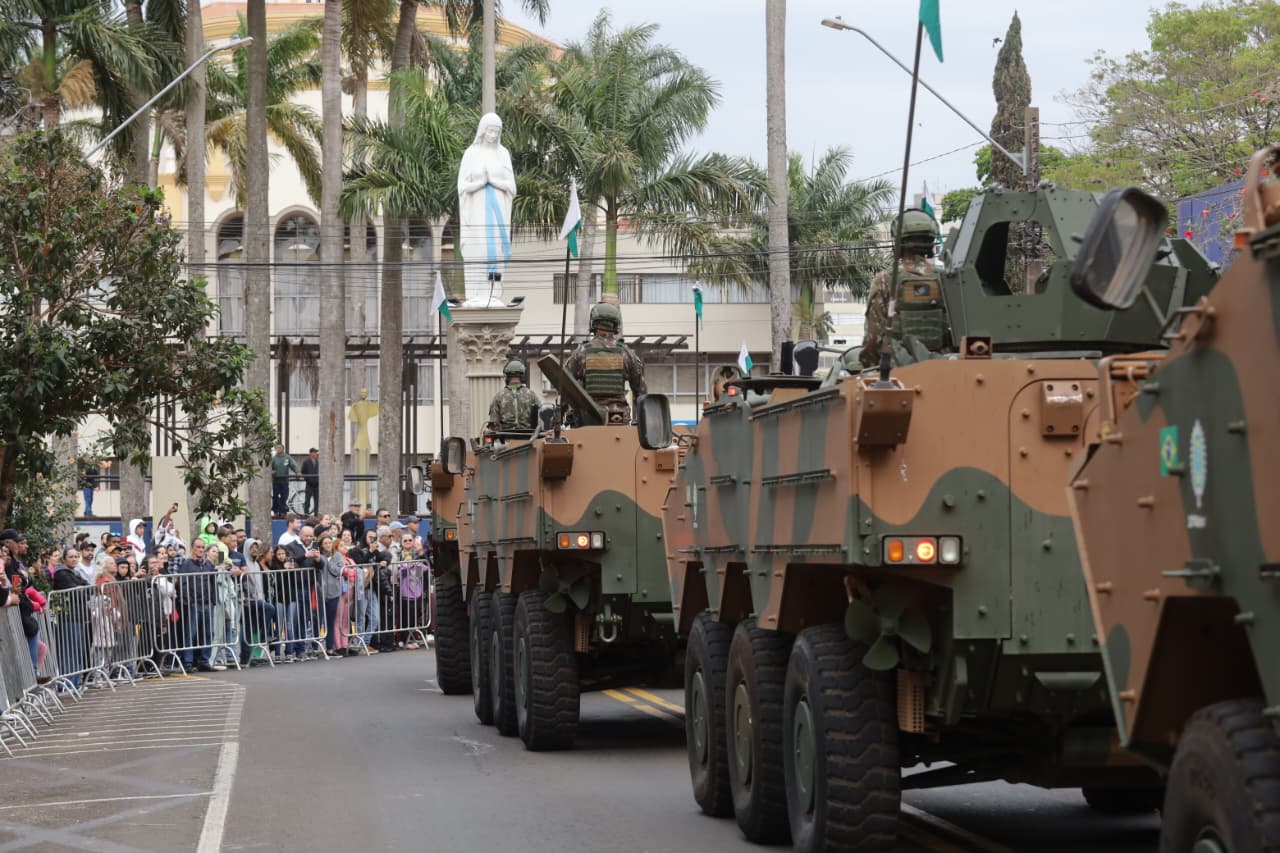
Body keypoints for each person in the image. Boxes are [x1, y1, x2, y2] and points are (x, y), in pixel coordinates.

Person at [860, 207, 947, 369]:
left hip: (898, 374)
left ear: (899, 242)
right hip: (942, 371)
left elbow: (873, 339)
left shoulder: (885, 280)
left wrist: (869, 367)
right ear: (931, 241)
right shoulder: (946, 279)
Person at [457, 112, 517, 304]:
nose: (492, 135)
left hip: (498, 213)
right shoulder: (471, 154)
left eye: (496, 131)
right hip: (476, 214)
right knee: (479, 248)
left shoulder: (503, 154)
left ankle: (494, 292)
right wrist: (481, 182)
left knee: (496, 250)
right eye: (490, 130)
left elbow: (512, 187)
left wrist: (494, 181)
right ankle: (476, 294)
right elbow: (462, 187)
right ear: (482, 131)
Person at [565, 302, 647, 424]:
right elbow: (641, 393)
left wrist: (556, 419)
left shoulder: (581, 353)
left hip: (589, 420)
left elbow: (565, 387)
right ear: (615, 325)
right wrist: (643, 423)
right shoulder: (627, 353)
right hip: (618, 419)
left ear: (593, 323)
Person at [174, 540, 220, 673]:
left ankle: (204, 660)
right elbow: (182, 584)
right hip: (193, 604)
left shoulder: (208, 564)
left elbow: (213, 582)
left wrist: (212, 600)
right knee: (191, 633)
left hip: (207, 603)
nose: (200, 549)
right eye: (198, 547)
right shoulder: (186, 564)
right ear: (192, 549)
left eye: (202, 547)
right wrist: (189, 600)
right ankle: (188, 662)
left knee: (207, 633)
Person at [486, 360, 540, 433]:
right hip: (528, 437)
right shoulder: (531, 394)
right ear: (522, 376)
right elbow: (541, 417)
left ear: (506, 377)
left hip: (505, 438)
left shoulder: (499, 396)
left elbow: (493, 423)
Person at [270, 444, 299, 516]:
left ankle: (283, 511)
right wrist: (271, 471)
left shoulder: (287, 457)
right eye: (277, 448)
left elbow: (293, 465)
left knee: (284, 496)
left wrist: (297, 471)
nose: (278, 449)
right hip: (276, 481)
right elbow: (269, 468)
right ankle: (276, 511)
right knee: (275, 497)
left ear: (283, 449)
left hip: (284, 481)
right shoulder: (274, 458)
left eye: (279, 448)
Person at [300, 448, 320, 516]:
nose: (316, 454)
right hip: (309, 483)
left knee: (317, 500)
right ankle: (306, 512)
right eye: (314, 452)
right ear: (311, 453)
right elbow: (303, 471)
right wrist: (307, 479)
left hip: (317, 484)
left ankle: (316, 513)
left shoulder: (318, 462)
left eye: (316, 453)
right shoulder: (306, 461)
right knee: (307, 499)